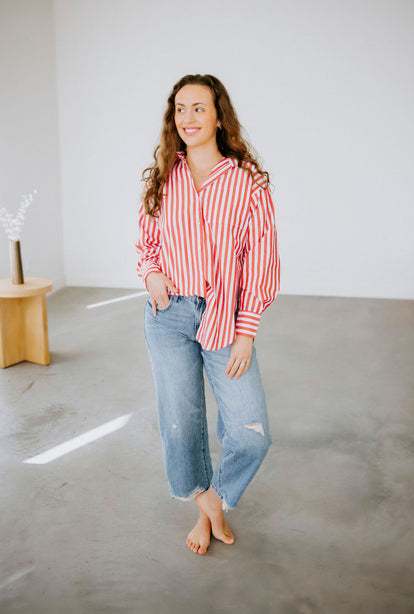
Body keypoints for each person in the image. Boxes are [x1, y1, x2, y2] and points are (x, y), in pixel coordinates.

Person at [136, 74, 280, 555]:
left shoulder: (248, 182)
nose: (188, 118)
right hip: (168, 316)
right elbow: (146, 245)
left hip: (226, 318)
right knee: (181, 424)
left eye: (199, 107)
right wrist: (152, 276)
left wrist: (246, 331)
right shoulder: (164, 175)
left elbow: (261, 260)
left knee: (250, 434)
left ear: (219, 116)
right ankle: (204, 507)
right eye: (180, 109)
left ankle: (214, 502)